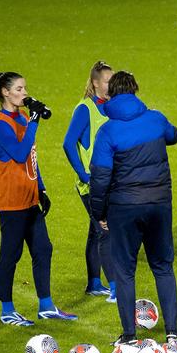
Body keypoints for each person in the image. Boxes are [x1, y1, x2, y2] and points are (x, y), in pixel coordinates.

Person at [88, 71, 177, 344]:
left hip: (124, 208)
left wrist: (99, 213)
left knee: (125, 271)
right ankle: (173, 332)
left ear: (110, 96)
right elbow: (173, 135)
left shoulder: (107, 131)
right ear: (136, 90)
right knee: (163, 267)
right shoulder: (154, 118)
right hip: (159, 204)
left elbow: (100, 178)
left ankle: (130, 336)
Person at [0, 72, 76, 326]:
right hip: (11, 201)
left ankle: (46, 306)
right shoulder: (1, 124)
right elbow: (18, 153)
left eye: (25, 87)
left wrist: (41, 188)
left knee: (43, 249)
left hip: (30, 199)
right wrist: (34, 122)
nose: (24, 93)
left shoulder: (23, 117)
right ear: (6, 93)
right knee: (11, 254)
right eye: (19, 88)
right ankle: (7, 310)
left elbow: (31, 157)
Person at [62, 60, 116, 303]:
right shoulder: (85, 109)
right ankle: (114, 288)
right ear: (95, 83)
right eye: (107, 81)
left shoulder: (111, 106)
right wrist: (84, 174)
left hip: (109, 182)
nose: (111, 85)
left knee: (97, 232)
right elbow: (68, 143)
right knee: (105, 231)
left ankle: (95, 283)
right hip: (91, 184)